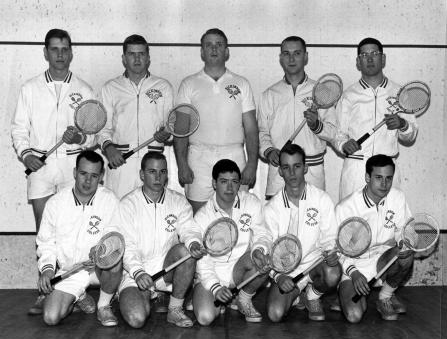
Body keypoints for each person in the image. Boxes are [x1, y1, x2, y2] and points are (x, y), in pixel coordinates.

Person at [11, 28, 95, 314]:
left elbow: (93, 135)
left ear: (71, 53)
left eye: (65, 49)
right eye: (54, 49)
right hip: (41, 170)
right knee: (45, 233)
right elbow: (19, 130)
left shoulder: (84, 89)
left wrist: (80, 139)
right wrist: (26, 156)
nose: (60, 55)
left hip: (72, 167)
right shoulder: (30, 88)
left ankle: (76, 289)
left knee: (73, 232)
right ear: (45, 53)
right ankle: (45, 291)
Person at [174, 28, 259, 214]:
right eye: (209, 45)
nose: (214, 49)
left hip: (234, 154)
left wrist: (252, 163)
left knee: (236, 212)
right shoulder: (188, 84)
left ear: (227, 51)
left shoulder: (241, 83)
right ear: (202, 52)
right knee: (199, 215)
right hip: (198, 157)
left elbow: (251, 129)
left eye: (219, 45)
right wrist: (181, 163)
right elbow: (180, 130)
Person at [117, 151, 204, 328]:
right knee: (136, 319)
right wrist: (137, 272)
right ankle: (146, 295)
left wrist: (194, 241)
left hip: (166, 269)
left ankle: (174, 308)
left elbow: (189, 229)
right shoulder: (127, 204)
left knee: (186, 251)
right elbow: (127, 245)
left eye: (162, 172)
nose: (158, 177)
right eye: (152, 172)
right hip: (136, 273)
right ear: (142, 174)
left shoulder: (178, 201)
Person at [36, 150, 122, 327]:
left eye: (93, 175)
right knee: (51, 317)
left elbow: (115, 237)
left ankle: (104, 305)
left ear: (101, 177)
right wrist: (47, 269)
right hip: (70, 271)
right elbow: (46, 242)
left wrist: (100, 252)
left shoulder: (109, 199)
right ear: (75, 172)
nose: (88, 181)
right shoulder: (56, 202)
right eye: (83, 174)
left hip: (99, 269)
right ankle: (79, 296)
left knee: (116, 261)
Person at [334, 37, 418, 200]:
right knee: (352, 222)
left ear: (383, 58)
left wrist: (402, 124)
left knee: (388, 222)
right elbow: (338, 134)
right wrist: (344, 144)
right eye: (364, 55)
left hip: (387, 170)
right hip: (356, 169)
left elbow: (411, 135)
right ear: (358, 62)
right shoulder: (349, 96)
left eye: (374, 53)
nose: (370, 58)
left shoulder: (399, 93)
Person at [264, 144, 341, 322]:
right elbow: (267, 250)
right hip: (287, 272)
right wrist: (278, 276)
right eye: (286, 167)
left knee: (333, 272)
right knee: (274, 314)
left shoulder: (321, 199)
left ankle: (312, 296)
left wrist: (331, 253)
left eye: (297, 166)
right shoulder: (271, 208)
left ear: (305, 168)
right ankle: (297, 294)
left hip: (315, 265)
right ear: (280, 171)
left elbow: (330, 238)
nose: (292, 173)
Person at [335, 154, 414, 322]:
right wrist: (354, 273)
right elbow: (336, 251)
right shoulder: (346, 207)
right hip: (354, 266)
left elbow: (406, 229)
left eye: (388, 178)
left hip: (384, 260)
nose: (384, 184)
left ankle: (385, 296)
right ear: (367, 177)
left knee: (406, 254)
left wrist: (404, 241)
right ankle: (346, 294)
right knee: (354, 316)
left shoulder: (397, 197)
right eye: (378, 178)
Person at [193, 159, 272, 325]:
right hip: (213, 273)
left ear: (239, 183)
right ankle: (219, 297)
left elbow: (262, 233)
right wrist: (215, 287)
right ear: (214, 183)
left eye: (234, 182)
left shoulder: (251, 202)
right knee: (205, 318)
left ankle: (243, 298)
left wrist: (259, 249)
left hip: (240, 270)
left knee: (263, 260)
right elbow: (202, 260)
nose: (229, 188)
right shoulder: (202, 216)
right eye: (223, 182)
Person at [258, 36, 337, 198]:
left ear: (306, 57)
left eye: (297, 53)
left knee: (313, 221)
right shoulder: (269, 94)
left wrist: (316, 125)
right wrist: (269, 151)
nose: (291, 58)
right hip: (280, 172)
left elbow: (334, 132)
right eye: (286, 54)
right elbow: (262, 133)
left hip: (312, 170)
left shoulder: (321, 91)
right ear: (281, 58)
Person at [98, 34, 173, 199]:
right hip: (121, 163)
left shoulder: (163, 87)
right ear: (124, 58)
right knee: (118, 217)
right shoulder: (110, 88)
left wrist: (166, 133)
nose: (137, 58)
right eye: (132, 54)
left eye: (141, 54)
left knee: (152, 215)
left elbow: (171, 126)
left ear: (148, 58)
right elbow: (103, 129)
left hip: (153, 164)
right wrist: (108, 147)